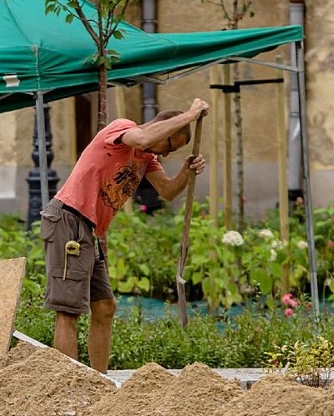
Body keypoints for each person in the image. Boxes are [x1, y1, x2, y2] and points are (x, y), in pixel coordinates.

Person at [40, 98, 209, 372]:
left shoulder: (147, 159)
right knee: (67, 309)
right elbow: (142, 138)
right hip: (68, 218)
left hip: (89, 229)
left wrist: (187, 172)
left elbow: (166, 191)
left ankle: (99, 381)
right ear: (163, 131)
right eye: (170, 146)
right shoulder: (123, 129)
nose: (166, 154)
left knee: (105, 305)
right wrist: (190, 115)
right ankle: (66, 386)